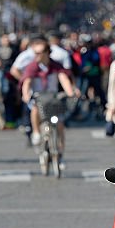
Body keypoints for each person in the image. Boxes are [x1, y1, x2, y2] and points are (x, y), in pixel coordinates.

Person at [20, 41, 77, 169]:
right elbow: (27, 82)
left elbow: (63, 78)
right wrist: (26, 95)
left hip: (53, 98)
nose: (36, 56)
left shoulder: (55, 66)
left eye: (39, 53)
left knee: (60, 125)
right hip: (38, 97)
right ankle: (35, 132)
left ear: (47, 53)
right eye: (35, 53)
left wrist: (69, 92)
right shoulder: (32, 66)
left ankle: (60, 154)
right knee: (34, 109)